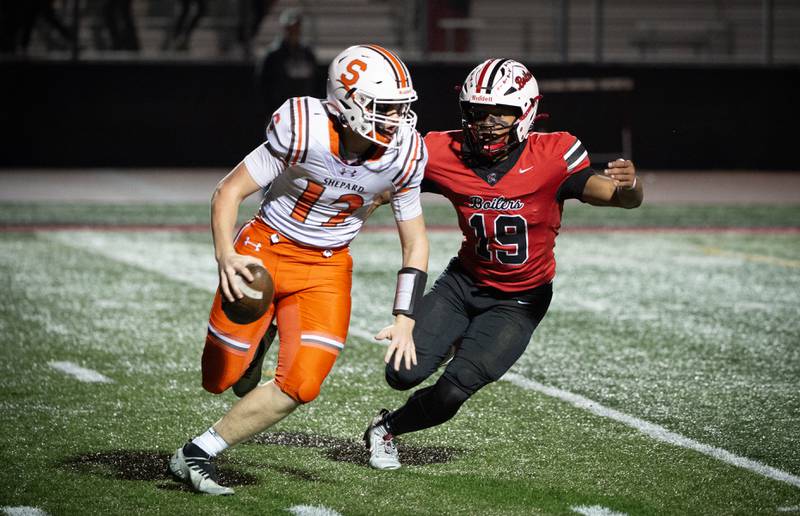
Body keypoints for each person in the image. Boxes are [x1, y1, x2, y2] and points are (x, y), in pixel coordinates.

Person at [167, 44, 428, 495]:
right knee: (219, 379)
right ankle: (256, 341)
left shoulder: (404, 153)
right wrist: (226, 255)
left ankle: (198, 452)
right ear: (347, 101)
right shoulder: (302, 127)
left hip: (326, 268)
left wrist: (405, 317)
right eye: (384, 108)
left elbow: (416, 240)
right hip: (265, 249)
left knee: (303, 383)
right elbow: (228, 192)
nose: (397, 119)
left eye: (401, 108)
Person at [364, 58, 643, 470]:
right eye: (478, 112)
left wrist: (631, 185)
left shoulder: (552, 156)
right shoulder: (442, 150)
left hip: (520, 299)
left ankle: (387, 429)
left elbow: (619, 198)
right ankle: (452, 338)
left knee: (453, 392)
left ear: (526, 111)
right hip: (463, 283)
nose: (488, 123)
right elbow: (386, 187)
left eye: (500, 112)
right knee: (400, 373)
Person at [255, 8, 320, 124]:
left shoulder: (307, 54)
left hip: (304, 112)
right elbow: (263, 86)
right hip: (280, 114)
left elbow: (315, 83)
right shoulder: (273, 55)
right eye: (290, 29)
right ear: (285, 29)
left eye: (296, 28)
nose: (294, 32)